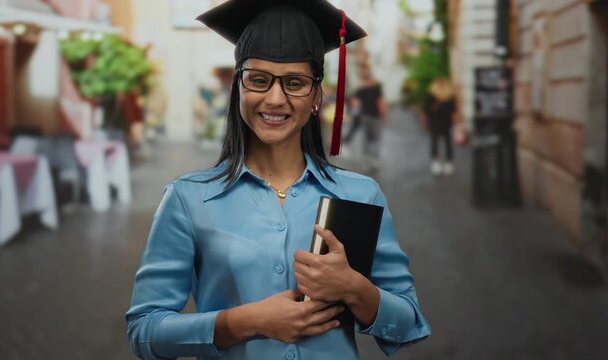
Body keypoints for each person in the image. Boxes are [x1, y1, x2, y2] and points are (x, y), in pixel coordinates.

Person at [125, 1, 430, 359]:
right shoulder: (188, 199)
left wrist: (354, 289)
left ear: (317, 95)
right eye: (258, 80)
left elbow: (409, 324)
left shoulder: (360, 195)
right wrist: (243, 322)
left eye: (295, 83)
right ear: (239, 87)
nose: (274, 98)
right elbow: (144, 331)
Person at [343, 63, 387, 169]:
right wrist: (384, 116)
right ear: (371, 79)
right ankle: (374, 160)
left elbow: (356, 104)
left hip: (365, 117)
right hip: (375, 117)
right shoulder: (376, 89)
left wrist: (354, 114)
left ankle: (368, 159)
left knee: (367, 138)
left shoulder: (360, 90)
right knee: (376, 138)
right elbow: (380, 104)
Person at [423, 77, 457, 176]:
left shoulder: (431, 96)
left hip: (435, 122)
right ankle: (448, 163)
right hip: (445, 122)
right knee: (447, 142)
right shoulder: (450, 96)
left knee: (435, 142)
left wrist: (425, 121)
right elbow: (453, 112)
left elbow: (425, 110)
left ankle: (436, 163)